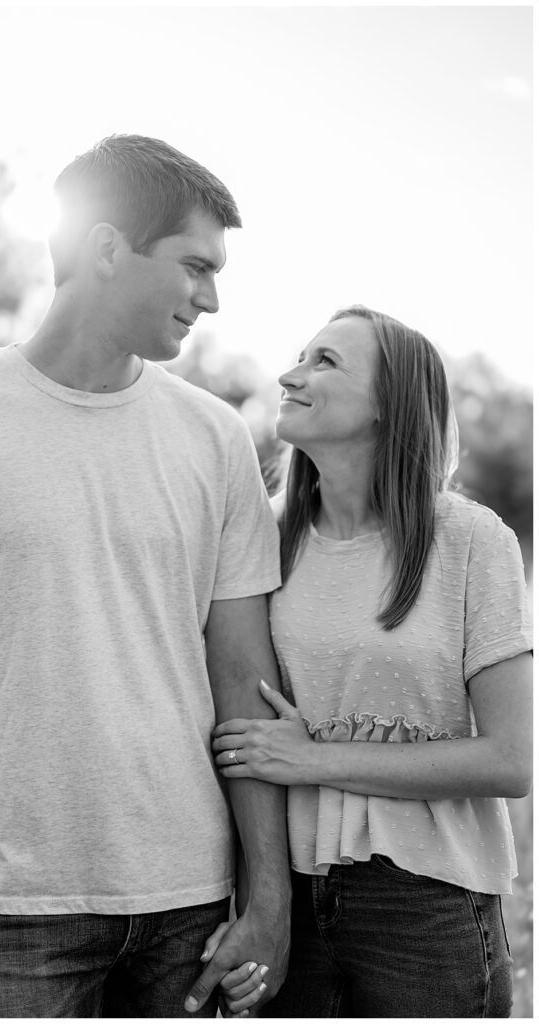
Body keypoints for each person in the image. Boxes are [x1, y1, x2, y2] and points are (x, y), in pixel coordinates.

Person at [0, 134, 291, 1019]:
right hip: (10, 912)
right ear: (104, 248)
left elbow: (243, 682)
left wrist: (270, 901)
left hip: (190, 906)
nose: (210, 299)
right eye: (194, 266)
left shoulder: (215, 440)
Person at [208, 305, 532, 1017]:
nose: (291, 375)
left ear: (389, 405)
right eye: (299, 356)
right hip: (286, 889)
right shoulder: (260, 535)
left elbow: (510, 761)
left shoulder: (472, 542)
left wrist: (313, 760)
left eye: (325, 361)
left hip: (426, 903)